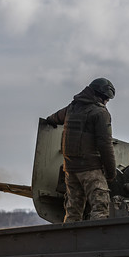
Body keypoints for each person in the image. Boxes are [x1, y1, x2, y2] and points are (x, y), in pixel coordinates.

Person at [46, 78, 117, 222]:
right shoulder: (100, 113)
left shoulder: (72, 108)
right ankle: (98, 241)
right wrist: (111, 172)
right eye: (106, 99)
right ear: (100, 96)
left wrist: (49, 120)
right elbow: (105, 144)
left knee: (73, 211)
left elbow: (55, 117)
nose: (106, 102)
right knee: (100, 208)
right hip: (91, 169)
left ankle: (69, 241)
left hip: (71, 169)